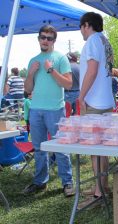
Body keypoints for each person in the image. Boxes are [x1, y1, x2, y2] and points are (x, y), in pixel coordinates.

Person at [23, 25, 74, 197]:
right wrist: (30, 74)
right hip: (36, 109)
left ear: (54, 40)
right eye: (42, 37)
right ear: (38, 38)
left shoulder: (60, 58)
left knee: (61, 147)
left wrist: (51, 70)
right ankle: (40, 181)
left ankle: (67, 182)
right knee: (38, 149)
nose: (45, 40)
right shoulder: (33, 61)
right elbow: (28, 89)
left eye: (49, 38)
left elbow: (68, 84)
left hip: (55, 110)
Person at [78, 12, 115, 206]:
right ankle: (103, 186)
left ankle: (98, 194)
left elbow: (91, 71)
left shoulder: (92, 41)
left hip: (94, 102)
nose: (81, 33)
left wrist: (81, 96)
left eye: (81, 28)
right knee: (104, 148)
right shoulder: (105, 41)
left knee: (95, 149)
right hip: (107, 101)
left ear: (86, 25)